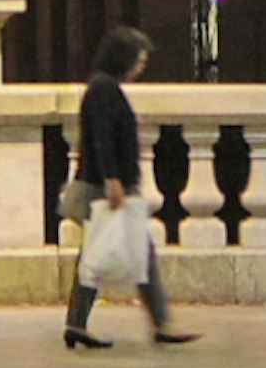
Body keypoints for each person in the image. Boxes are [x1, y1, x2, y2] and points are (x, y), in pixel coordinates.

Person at [65, 24, 197, 350]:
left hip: (104, 184)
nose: (141, 66)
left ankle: (77, 324)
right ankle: (160, 323)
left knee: (97, 256)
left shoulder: (101, 87)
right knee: (139, 255)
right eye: (138, 59)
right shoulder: (105, 89)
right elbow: (103, 139)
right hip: (106, 187)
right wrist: (113, 180)